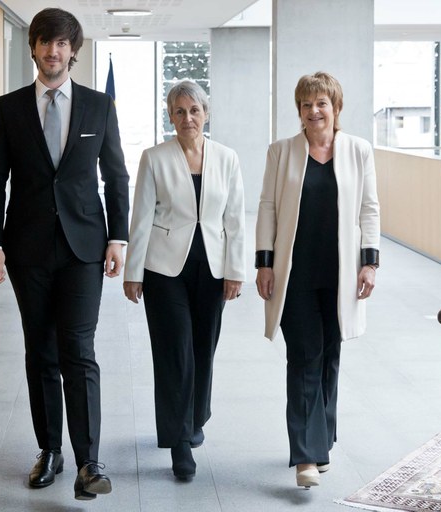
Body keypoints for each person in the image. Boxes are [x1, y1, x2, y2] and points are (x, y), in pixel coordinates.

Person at [0, 7, 129, 501]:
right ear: (33, 48)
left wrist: (118, 237)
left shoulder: (98, 106)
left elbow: (116, 175)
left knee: (79, 351)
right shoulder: (9, 108)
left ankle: (89, 461)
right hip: (27, 249)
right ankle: (50, 450)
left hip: (84, 249)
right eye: (45, 41)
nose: (53, 51)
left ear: (73, 51)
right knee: (41, 352)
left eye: (62, 43)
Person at [255, 71, 380, 489]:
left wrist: (370, 263)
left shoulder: (358, 150)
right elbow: (268, 207)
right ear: (299, 110)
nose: (314, 111)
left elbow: (369, 208)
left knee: (329, 356)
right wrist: (265, 263)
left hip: (341, 274)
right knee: (305, 356)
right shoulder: (281, 152)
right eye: (306, 104)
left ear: (336, 107)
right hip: (296, 274)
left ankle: (321, 439)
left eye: (321, 103)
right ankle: (306, 455)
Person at [123, 80, 246, 480]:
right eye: (179, 111)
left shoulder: (227, 158)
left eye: (194, 110)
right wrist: (133, 272)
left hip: (212, 268)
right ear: (170, 116)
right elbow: (141, 216)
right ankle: (178, 441)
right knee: (175, 350)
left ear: (206, 114)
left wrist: (236, 270)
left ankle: (195, 417)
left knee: (203, 348)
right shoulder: (154, 158)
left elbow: (234, 219)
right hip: (164, 270)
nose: (187, 118)